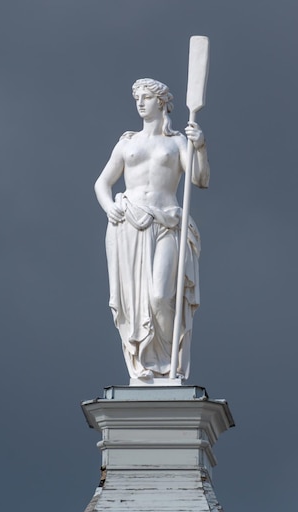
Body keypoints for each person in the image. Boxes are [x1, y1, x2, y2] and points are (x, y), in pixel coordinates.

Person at [94, 78, 210, 381]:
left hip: (168, 224)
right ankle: (145, 362)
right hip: (129, 224)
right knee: (135, 302)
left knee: (159, 296)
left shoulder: (177, 142)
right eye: (137, 98)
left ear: (161, 102)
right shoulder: (127, 143)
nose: (140, 103)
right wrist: (110, 207)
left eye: (146, 97)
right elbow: (102, 183)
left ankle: (172, 364)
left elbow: (199, 179)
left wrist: (200, 146)